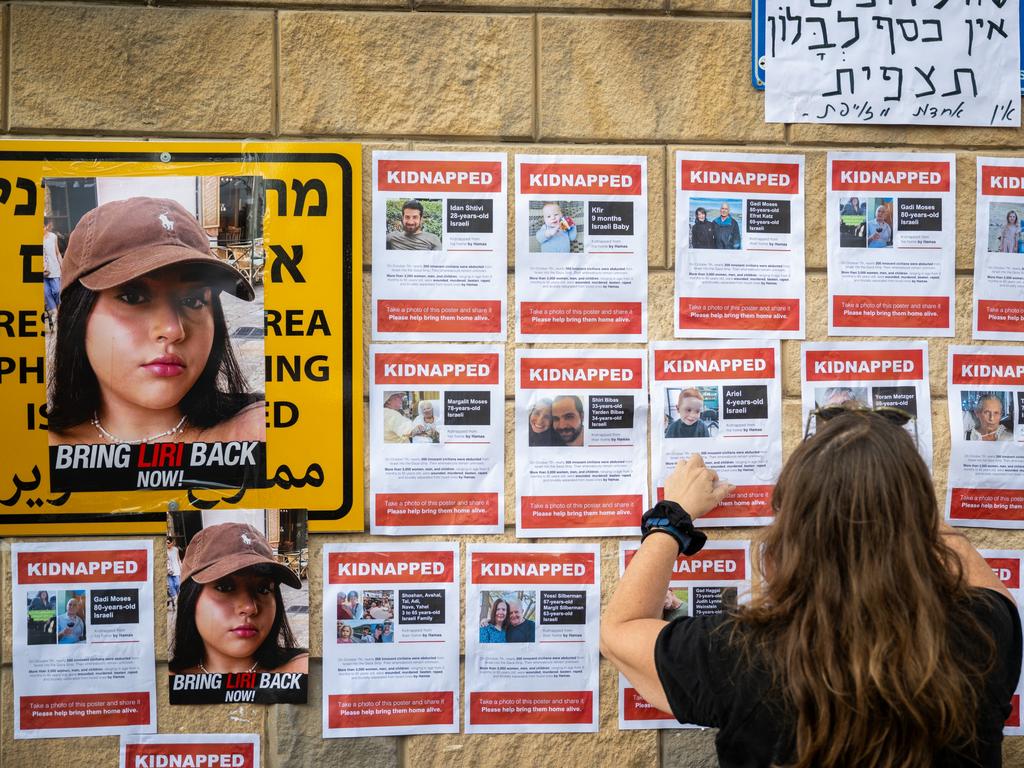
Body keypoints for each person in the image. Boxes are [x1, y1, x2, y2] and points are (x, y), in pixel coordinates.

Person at [602, 414, 1022, 767]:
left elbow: (619, 630)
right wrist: (890, 478)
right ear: (918, 515)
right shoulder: (983, 634)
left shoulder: (743, 652)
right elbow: (963, 560)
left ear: (791, 529)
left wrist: (672, 518)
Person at [46, 197, 263, 447]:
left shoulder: (256, 432)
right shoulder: (26, 460)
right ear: (77, 316)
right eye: (133, 297)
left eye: (193, 301)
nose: (173, 330)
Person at [169, 522, 308, 675]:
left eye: (263, 589)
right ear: (190, 599)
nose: (250, 607)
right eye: (225, 587)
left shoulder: (301, 670)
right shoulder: (164, 684)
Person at [42, 218, 63, 329]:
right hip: (42, 272)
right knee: (46, 293)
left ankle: (58, 313)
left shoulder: (53, 237)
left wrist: (62, 266)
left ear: (46, 226)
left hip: (54, 270)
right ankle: (55, 315)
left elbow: (57, 253)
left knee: (57, 291)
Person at [167, 538, 182, 605]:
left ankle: (178, 596)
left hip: (176, 569)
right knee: (171, 585)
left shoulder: (176, 550)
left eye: (168, 542)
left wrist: (181, 567)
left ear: (172, 543)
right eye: (166, 542)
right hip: (169, 571)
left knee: (178, 584)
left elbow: (178, 559)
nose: (167, 544)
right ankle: (175, 597)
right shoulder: (165, 551)